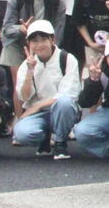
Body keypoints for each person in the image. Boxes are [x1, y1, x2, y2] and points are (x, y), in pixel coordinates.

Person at [12, 20, 82, 159]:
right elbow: (24, 97)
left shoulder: (67, 59)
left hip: (61, 110)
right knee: (21, 134)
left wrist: (38, 106)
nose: (39, 45)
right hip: (39, 115)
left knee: (64, 103)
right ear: (29, 43)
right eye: (34, 41)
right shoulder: (26, 65)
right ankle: (43, 138)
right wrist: (30, 72)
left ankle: (60, 142)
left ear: (52, 39)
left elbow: (69, 94)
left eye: (43, 39)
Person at [2, 0, 67, 91]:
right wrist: (21, 28)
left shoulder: (58, 1)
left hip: (43, 43)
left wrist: (48, 48)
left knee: (41, 82)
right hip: (17, 43)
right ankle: (20, 113)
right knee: (18, 84)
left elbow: (58, 32)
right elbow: (6, 29)